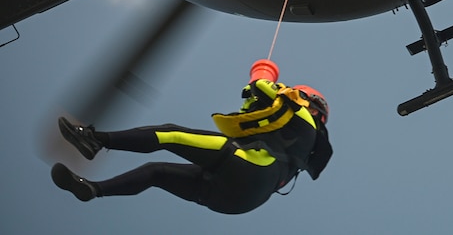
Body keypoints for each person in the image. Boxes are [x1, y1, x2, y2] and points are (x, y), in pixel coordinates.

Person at [50, 60, 332, 214]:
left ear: (308, 100)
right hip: (239, 202)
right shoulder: (301, 138)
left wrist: (262, 72)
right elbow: (252, 116)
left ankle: (95, 140)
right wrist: (253, 100)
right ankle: (93, 190)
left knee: (171, 134)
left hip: (250, 167)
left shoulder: (303, 116)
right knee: (156, 173)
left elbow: (264, 86)